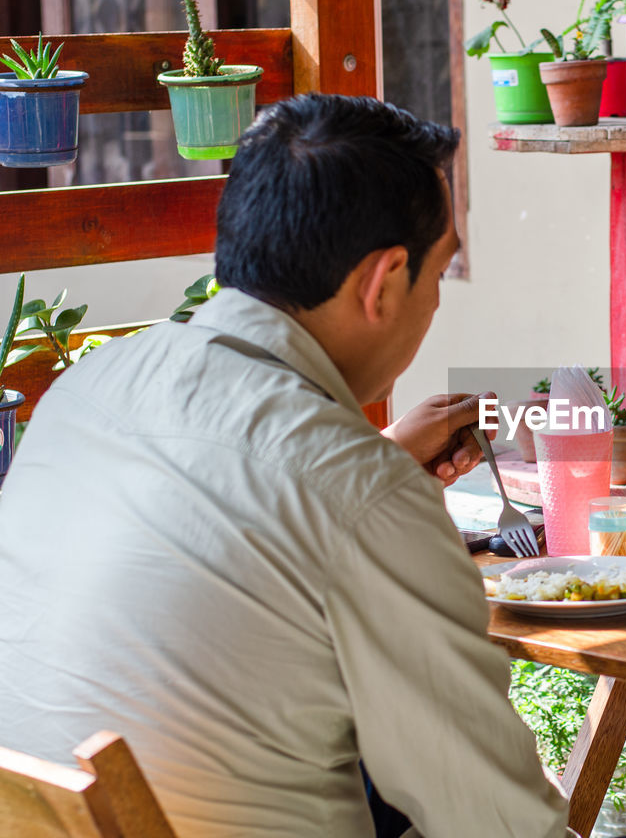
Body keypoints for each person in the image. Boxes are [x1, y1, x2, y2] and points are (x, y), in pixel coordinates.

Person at [0, 93, 570, 837]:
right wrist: (382, 486)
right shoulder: (363, 492)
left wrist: (381, 466)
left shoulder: (86, 390)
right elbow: (500, 826)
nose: (434, 302)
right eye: (438, 274)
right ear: (384, 280)